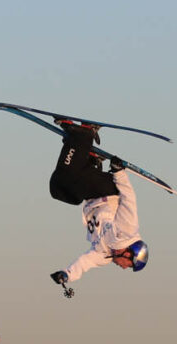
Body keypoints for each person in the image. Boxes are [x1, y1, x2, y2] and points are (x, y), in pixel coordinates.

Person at [47, 124, 149, 294]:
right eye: (129, 265)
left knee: (58, 189)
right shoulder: (127, 231)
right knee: (70, 176)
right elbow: (129, 199)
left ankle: (89, 158)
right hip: (107, 191)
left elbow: (85, 262)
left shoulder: (104, 255)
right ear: (129, 254)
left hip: (91, 198)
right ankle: (85, 133)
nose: (124, 268)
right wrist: (119, 173)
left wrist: (66, 275)